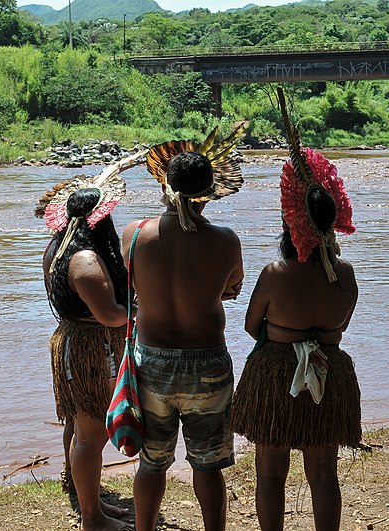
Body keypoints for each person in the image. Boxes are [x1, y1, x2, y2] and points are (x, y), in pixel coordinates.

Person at [231, 93, 361, 531]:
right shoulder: (345, 273)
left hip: (276, 374)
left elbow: (252, 327)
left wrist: (282, 337)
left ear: (292, 221)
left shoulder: (276, 271)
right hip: (329, 371)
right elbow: (340, 326)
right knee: (324, 473)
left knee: (270, 471)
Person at [122, 128, 246, 531]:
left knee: (152, 464)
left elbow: (134, 284)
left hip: (152, 362)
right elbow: (232, 288)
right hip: (207, 361)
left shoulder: (134, 235)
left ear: (164, 183)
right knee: (208, 466)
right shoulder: (227, 241)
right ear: (210, 191)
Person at [37, 156, 145, 531]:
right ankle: (92, 517)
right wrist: (144, 310)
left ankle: (86, 496)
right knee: (91, 432)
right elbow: (111, 315)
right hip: (89, 348)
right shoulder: (85, 259)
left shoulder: (58, 246)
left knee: (78, 424)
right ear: (101, 221)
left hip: (75, 343)